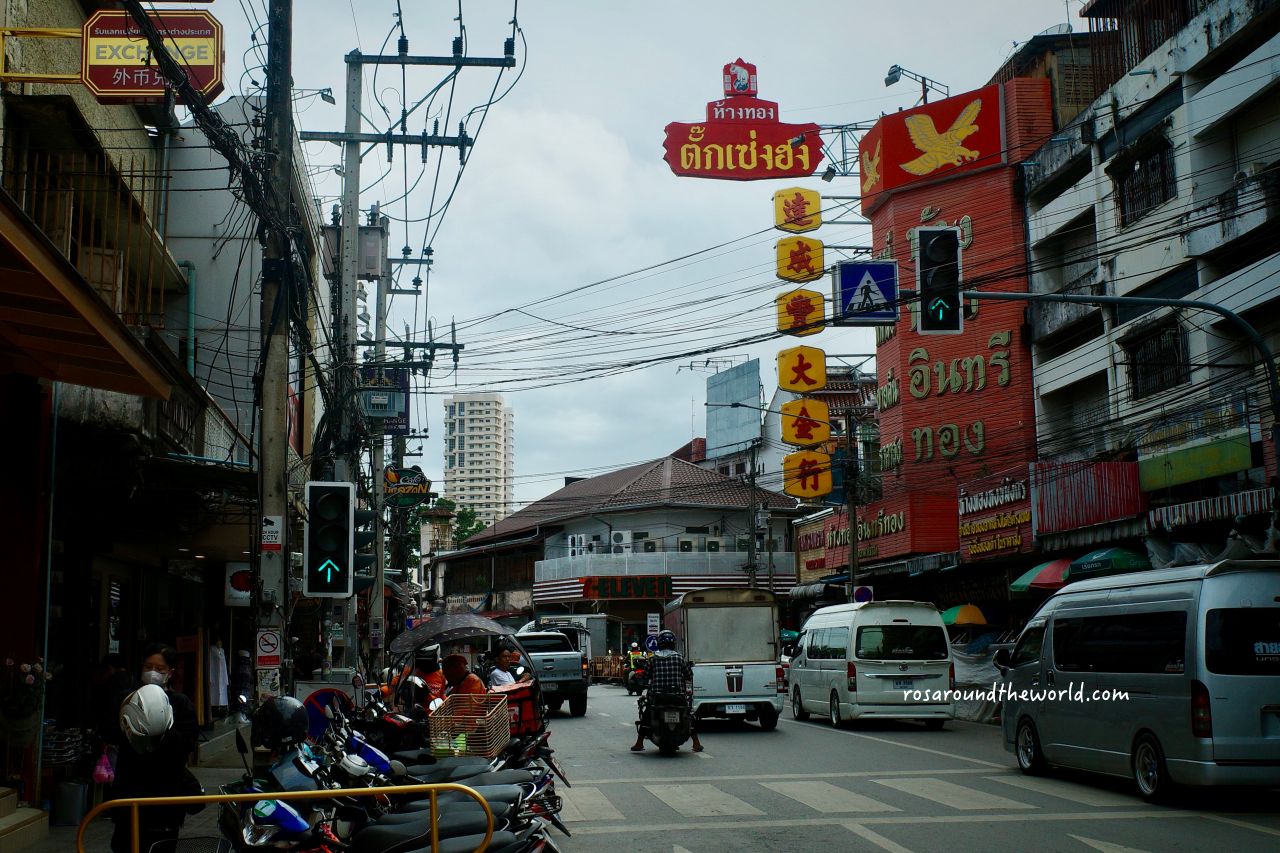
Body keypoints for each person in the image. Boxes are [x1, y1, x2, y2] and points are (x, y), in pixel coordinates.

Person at [110, 645, 199, 853]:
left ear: (170, 672)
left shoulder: (181, 703)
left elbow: (186, 745)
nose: (152, 672)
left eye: (159, 668)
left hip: (165, 801)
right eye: (148, 666)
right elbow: (112, 734)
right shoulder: (127, 699)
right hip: (129, 794)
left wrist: (162, 725)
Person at [631, 629, 703, 753]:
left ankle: (639, 743)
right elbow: (689, 675)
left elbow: (646, 675)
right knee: (688, 716)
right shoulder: (679, 658)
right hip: (677, 697)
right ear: (673, 643)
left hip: (657, 697)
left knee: (647, 715)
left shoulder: (653, 659)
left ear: (659, 643)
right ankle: (696, 743)